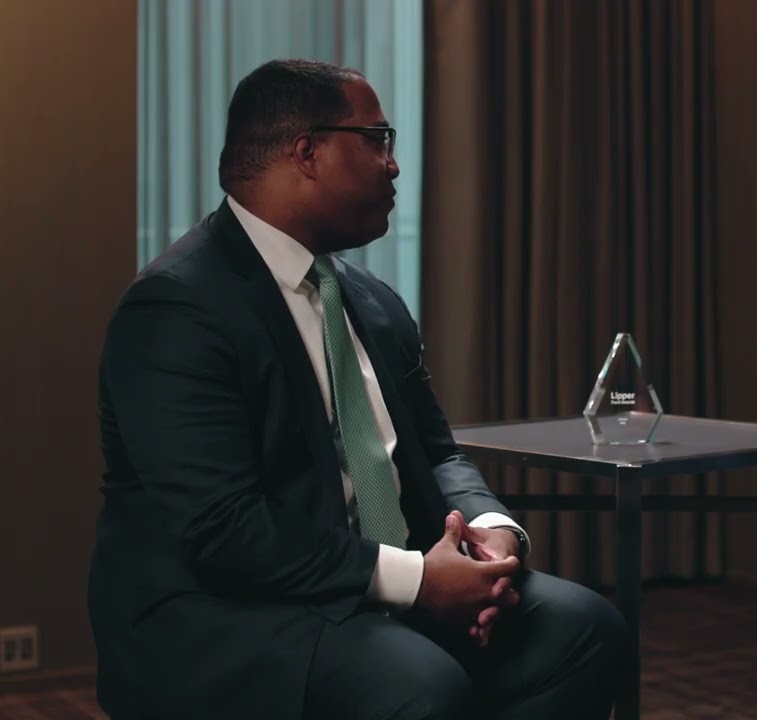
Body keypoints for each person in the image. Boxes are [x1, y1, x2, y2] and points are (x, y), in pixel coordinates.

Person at [88, 58, 625, 720]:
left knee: (587, 628)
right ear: (307, 153)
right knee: (421, 684)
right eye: (377, 139)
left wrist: (492, 537)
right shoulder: (177, 308)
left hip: (377, 587)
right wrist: (418, 581)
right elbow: (224, 530)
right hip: (224, 612)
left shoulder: (372, 300)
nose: (393, 165)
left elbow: (437, 453)